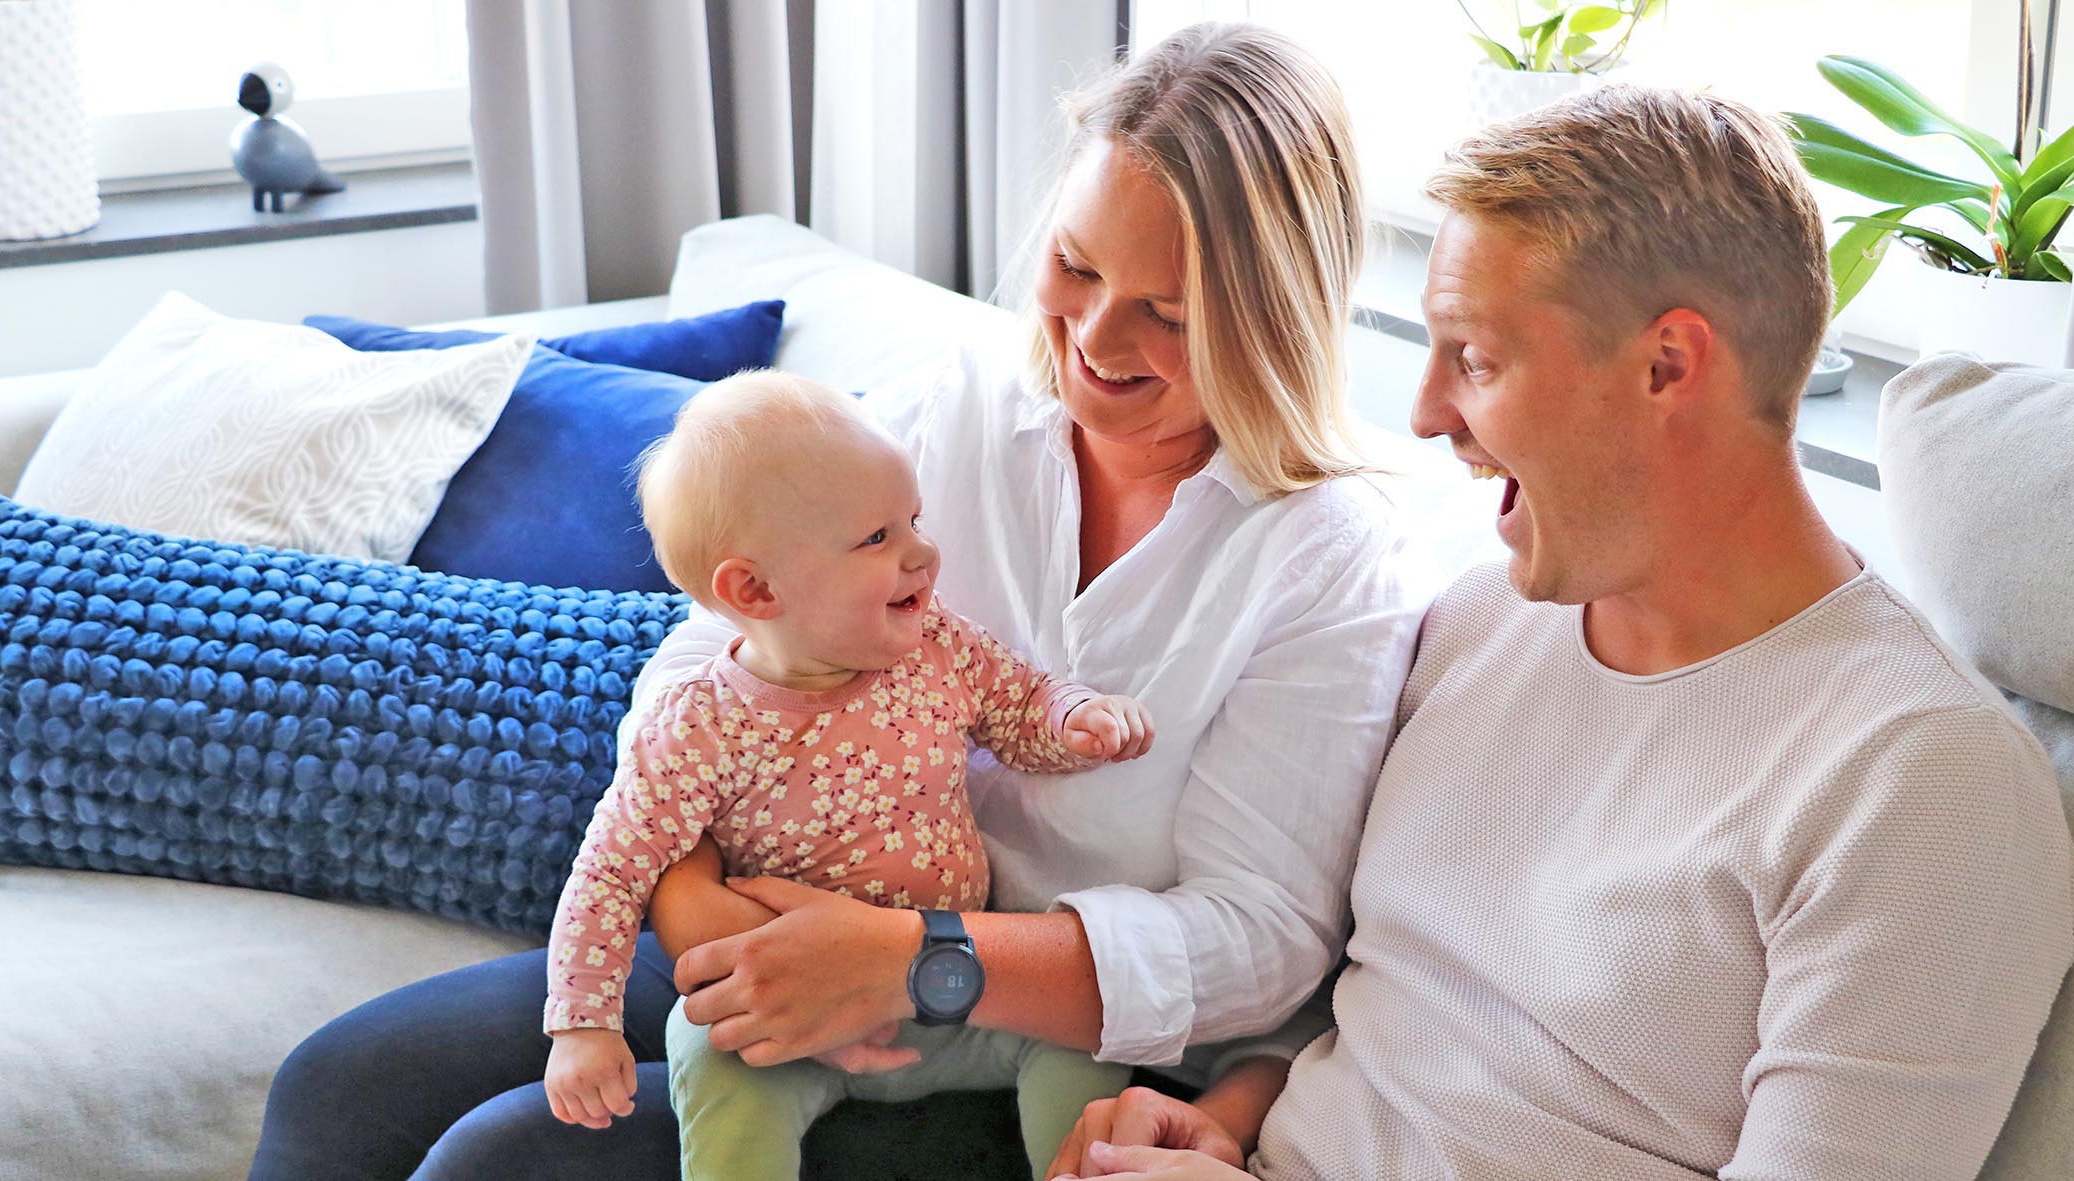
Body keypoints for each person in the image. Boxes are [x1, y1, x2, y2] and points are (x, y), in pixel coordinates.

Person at [250, 23, 1461, 1179]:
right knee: (338, 1085)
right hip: (777, 930)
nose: (1095, 332)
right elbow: (715, 643)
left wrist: (915, 962)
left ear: (1272, 313)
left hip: (1028, 1045)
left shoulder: (1326, 557)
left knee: (508, 1161)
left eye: (1169, 311)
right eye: (1076, 265)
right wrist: (693, 896)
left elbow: (1259, 939)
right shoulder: (963, 406)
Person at [1045, 85, 2074, 1181]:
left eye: (1478, 360)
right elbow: (1387, 1009)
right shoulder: (1480, 622)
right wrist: (1233, 1109)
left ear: (1667, 367)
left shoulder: (1919, 782)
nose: (1427, 414)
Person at [540, 369, 1152, 1179]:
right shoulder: (698, 723)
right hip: (784, 1020)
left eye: (914, 521)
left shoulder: (936, 647)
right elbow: (613, 867)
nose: (924, 554)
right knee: (712, 1054)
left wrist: (1075, 721)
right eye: (878, 539)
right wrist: (583, 1023)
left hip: (958, 999)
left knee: (1089, 1051)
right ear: (755, 589)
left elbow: (1018, 709)